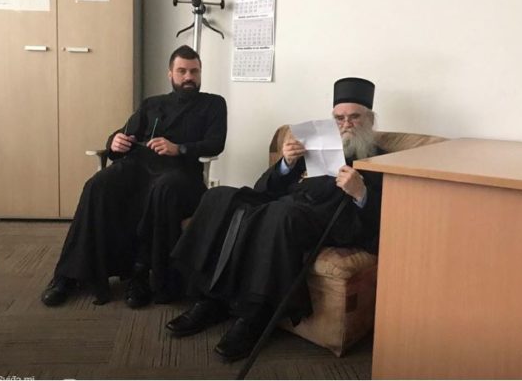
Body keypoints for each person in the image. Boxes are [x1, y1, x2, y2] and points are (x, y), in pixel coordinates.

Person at [165, 77, 384, 361]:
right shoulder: (317, 146)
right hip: (284, 205)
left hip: (323, 219)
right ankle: (209, 299)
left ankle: (253, 318)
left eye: (354, 117)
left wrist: (360, 193)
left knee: (278, 215)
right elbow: (263, 189)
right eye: (339, 118)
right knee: (219, 196)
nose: (346, 124)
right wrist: (286, 164)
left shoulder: (381, 161)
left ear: (370, 119)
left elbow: (383, 218)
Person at [41, 45, 227, 308]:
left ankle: (141, 274)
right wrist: (114, 141)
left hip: (181, 172)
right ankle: (68, 275)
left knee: (163, 189)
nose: (189, 77)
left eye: (194, 71)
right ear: (170, 74)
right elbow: (125, 132)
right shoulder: (152, 104)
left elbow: (216, 143)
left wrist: (179, 148)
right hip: (139, 166)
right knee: (97, 184)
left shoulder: (214, 104)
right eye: (182, 71)